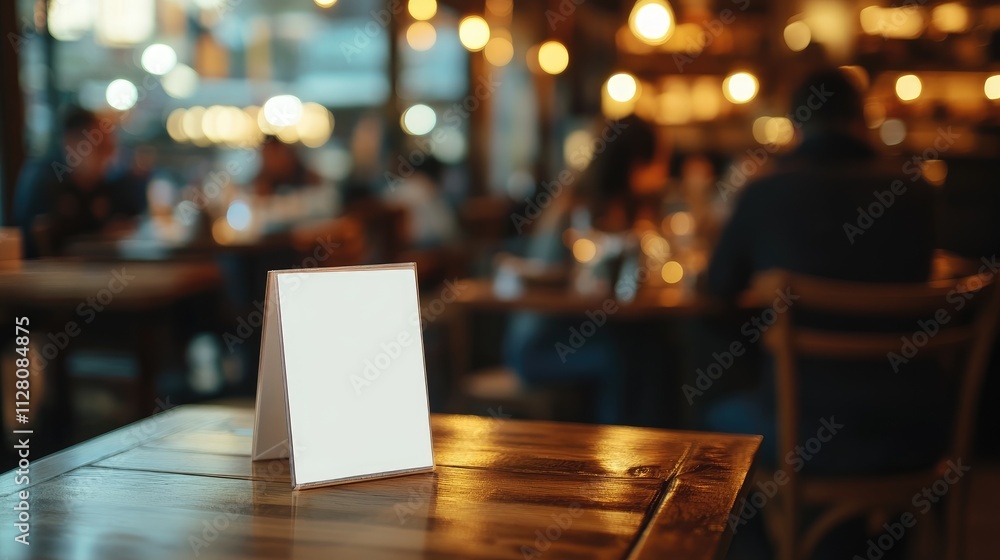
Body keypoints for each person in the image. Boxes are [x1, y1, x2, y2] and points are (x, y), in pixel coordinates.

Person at [703, 68, 947, 558]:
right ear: (862, 120)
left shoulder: (766, 194)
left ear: (795, 125)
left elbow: (714, 293)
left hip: (801, 430)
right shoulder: (915, 192)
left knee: (718, 416)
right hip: (911, 427)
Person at [501, 115, 665, 424]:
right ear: (634, 162)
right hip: (539, 347)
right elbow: (566, 282)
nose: (659, 173)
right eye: (654, 162)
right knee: (623, 356)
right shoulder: (578, 209)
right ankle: (616, 447)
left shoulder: (613, 206)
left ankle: (649, 444)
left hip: (585, 334)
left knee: (650, 347)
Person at [14, 107, 147, 257]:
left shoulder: (98, 184)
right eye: (100, 148)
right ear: (72, 143)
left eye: (110, 148)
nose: (108, 156)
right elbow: (41, 248)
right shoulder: (44, 182)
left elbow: (128, 216)